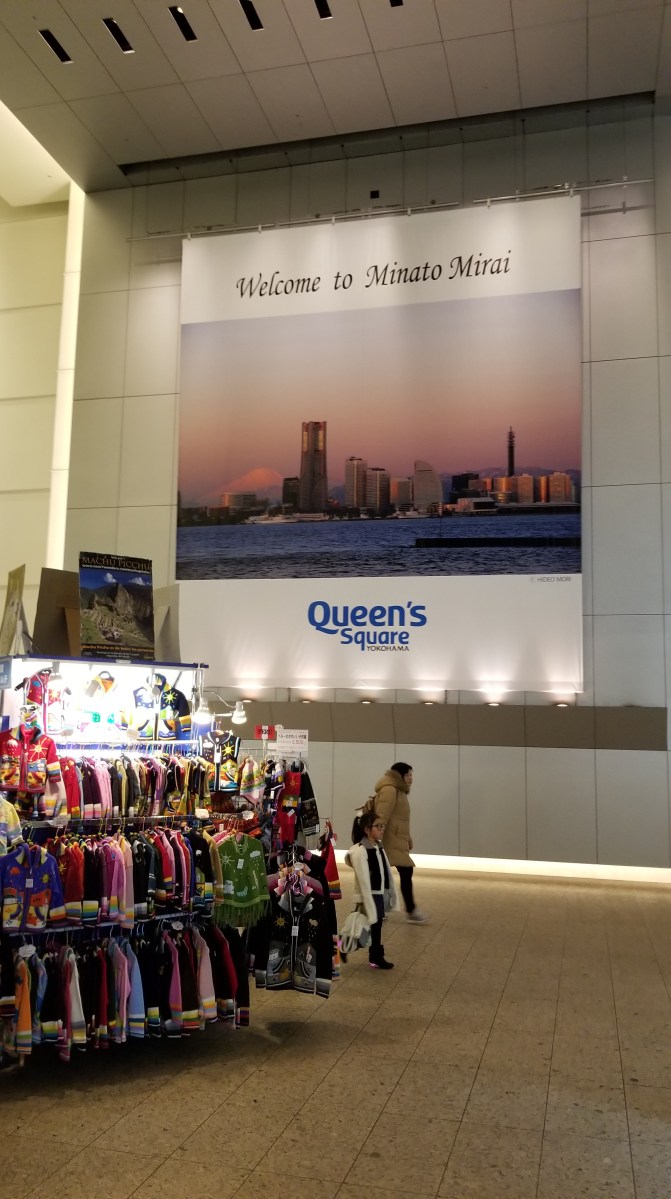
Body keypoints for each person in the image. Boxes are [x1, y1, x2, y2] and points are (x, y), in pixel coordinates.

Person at [373, 761, 427, 923]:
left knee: (384, 874)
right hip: (388, 839)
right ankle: (410, 910)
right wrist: (375, 837)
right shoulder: (390, 790)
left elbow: (401, 819)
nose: (411, 778)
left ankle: (381, 909)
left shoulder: (399, 791)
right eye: (407, 775)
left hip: (396, 839)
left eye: (411, 775)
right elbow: (382, 815)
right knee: (402, 872)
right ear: (399, 775)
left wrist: (407, 837)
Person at [345, 808, 398, 970]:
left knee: (374, 926)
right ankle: (339, 948)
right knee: (358, 927)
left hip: (378, 894)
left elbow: (385, 872)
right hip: (367, 896)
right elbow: (363, 879)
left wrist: (389, 892)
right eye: (378, 826)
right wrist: (366, 899)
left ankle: (375, 955)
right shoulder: (361, 851)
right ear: (367, 830)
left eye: (382, 826)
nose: (381, 829)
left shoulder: (378, 847)